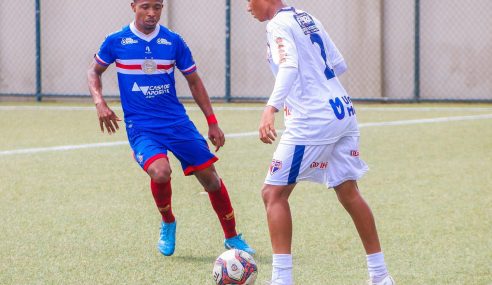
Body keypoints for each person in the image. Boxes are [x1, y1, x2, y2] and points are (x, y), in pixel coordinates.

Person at [87, 0, 254, 257]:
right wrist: (100, 103)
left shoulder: (174, 41)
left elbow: (194, 82)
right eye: (145, 6)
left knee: (210, 178)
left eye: (157, 7)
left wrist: (212, 122)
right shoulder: (116, 40)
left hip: (176, 123)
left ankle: (232, 236)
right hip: (141, 125)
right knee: (160, 172)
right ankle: (168, 222)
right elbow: (94, 72)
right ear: (133, 6)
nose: (152, 13)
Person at [246, 0, 394, 284]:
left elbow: (289, 66)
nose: (247, 6)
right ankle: (380, 276)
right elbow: (338, 63)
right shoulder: (305, 16)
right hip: (342, 109)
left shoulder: (277, 24)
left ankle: (281, 280)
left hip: (312, 119)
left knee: (272, 194)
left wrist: (271, 108)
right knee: (349, 191)